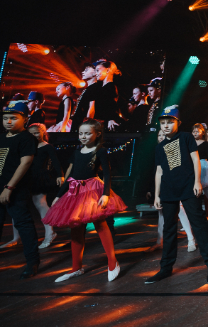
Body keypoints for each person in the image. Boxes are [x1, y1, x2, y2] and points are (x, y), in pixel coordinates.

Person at [44, 119, 126, 282]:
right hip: (75, 191)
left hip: (92, 189)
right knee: (75, 228)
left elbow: (107, 174)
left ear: (97, 134)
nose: (83, 136)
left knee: (100, 224)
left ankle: (112, 262)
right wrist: (59, 196)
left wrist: (105, 194)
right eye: (81, 133)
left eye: (87, 133)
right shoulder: (77, 152)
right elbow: (71, 176)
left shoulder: (100, 151)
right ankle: (76, 268)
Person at [144, 106, 208, 285]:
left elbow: (195, 159)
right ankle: (165, 268)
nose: (166, 125)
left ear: (178, 123)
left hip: (188, 187)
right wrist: (157, 195)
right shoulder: (160, 147)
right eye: (163, 122)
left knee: (199, 224)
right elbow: (159, 171)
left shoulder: (186, 137)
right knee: (169, 229)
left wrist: (197, 182)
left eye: (170, 122)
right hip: (168, 190)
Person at [0, 101, 40, 278]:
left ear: (25, 119)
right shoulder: (2, 137)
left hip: (16, 189)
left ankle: (32, 262)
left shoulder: (26, 138)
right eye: (5, 118)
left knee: (23, 224)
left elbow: (25, 163)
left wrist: (9, 187)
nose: (8, 121)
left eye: (13, 118)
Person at [26, 123, 64, 248]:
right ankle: (16, 237)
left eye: (37, 132)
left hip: (39, 177)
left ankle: (50, 233)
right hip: (26, 177)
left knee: (41, 204)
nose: (34, 135)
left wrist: (60, 175)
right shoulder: (27, 145)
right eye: (31, 133)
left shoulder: (47, 146)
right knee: (20, 205)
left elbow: (56, 161)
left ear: (43, 132)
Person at [71, 63, 99, 132]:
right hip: (78, 122)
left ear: (95, 72)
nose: (82, 72)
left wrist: (88, 123)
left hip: (83, 124)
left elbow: (92, 106)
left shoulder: (94, 88)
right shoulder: (88, 88)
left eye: (86, 70)